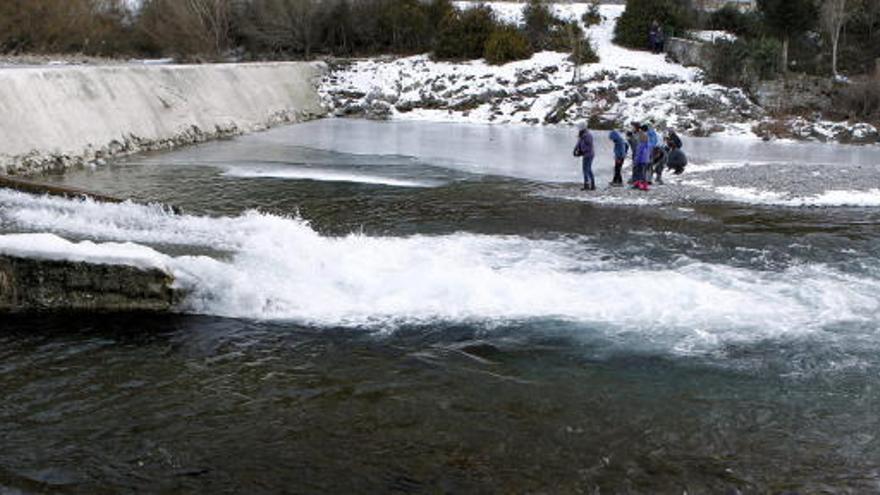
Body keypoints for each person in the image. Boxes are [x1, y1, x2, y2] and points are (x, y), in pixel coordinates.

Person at [573, 125, 596, 191]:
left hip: (589, 154)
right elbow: (578, 143)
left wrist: (582, 152)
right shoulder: (582, 135)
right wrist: (575, 150)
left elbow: (589, 146)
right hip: (586, 154)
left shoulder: (588, 136)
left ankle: (590, 185)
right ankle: (588, 185)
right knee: (585, 169)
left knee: (587, 169)